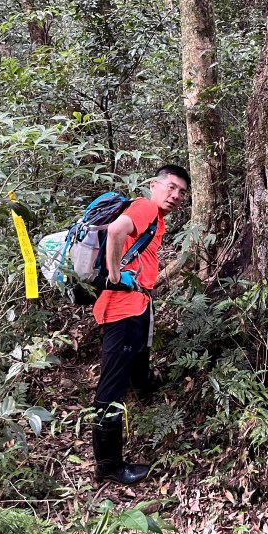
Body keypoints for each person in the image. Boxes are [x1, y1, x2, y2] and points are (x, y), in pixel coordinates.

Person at [90, 164, 190, 485]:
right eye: (171, 187)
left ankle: (145, 392)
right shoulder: (145, 207)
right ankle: (108, 466)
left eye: (181, 192)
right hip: (122, 310)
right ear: (154, 185)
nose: (175, 195)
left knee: (139, 358)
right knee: (110, 389)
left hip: (137, 304)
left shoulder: (156, 218)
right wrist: (115, 275)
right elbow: (116, 231)